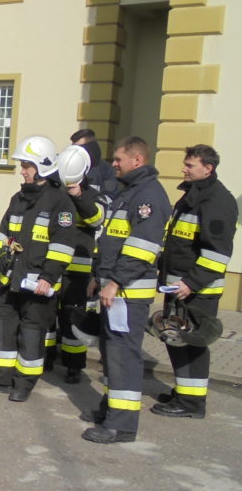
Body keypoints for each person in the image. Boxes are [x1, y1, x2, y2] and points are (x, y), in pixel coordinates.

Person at [0, 136, 76, 402]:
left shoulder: (59, 202)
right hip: (12, 278)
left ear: (42, 166)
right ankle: (1, 378)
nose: (23, 170)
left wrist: (48, 277)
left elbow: (63, 245)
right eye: (22, 165)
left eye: (27, 165)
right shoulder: (18, 198)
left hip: (38, 283)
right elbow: (4, 233)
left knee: (31, 333)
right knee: (1, 322)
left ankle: (24, 383)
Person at [82, 136, 171, 444]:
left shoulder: (149, 197)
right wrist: (100, 276)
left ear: (137, 160)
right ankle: (111, 409)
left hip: (128, 293)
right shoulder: (128, 192)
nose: (113, 164)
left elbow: (141, 249)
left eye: (119, 159)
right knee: (111, 352)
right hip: (114, 287)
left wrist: (116, 282)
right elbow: (111, 240)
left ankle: (121, 425)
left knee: (123, 355)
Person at [152, 144, 236, 419]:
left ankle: (192, 404)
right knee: (176, 339)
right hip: (179, 286)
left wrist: (192, 283)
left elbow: (217, 254)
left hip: (196, 290)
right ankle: (184, 392)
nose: (183, 169)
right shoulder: (193, 195)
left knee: (192, 342)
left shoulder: (217, 201)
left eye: (189, 165)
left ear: (207, 168)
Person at [52, 144, 107, 383]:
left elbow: (97, 220)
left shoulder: (94, 195)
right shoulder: (55, 191)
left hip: (78, 269)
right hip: (53, 265)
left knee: (71, 317)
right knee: (46, 315)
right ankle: (44, 358)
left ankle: (74, 366)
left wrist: (79, 197)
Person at [70, 128, 118, 201]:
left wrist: (83, 195)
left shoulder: (106, 170)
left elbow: (110, 198)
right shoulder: (70, 167)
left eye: (79, 148)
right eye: (73, 148)